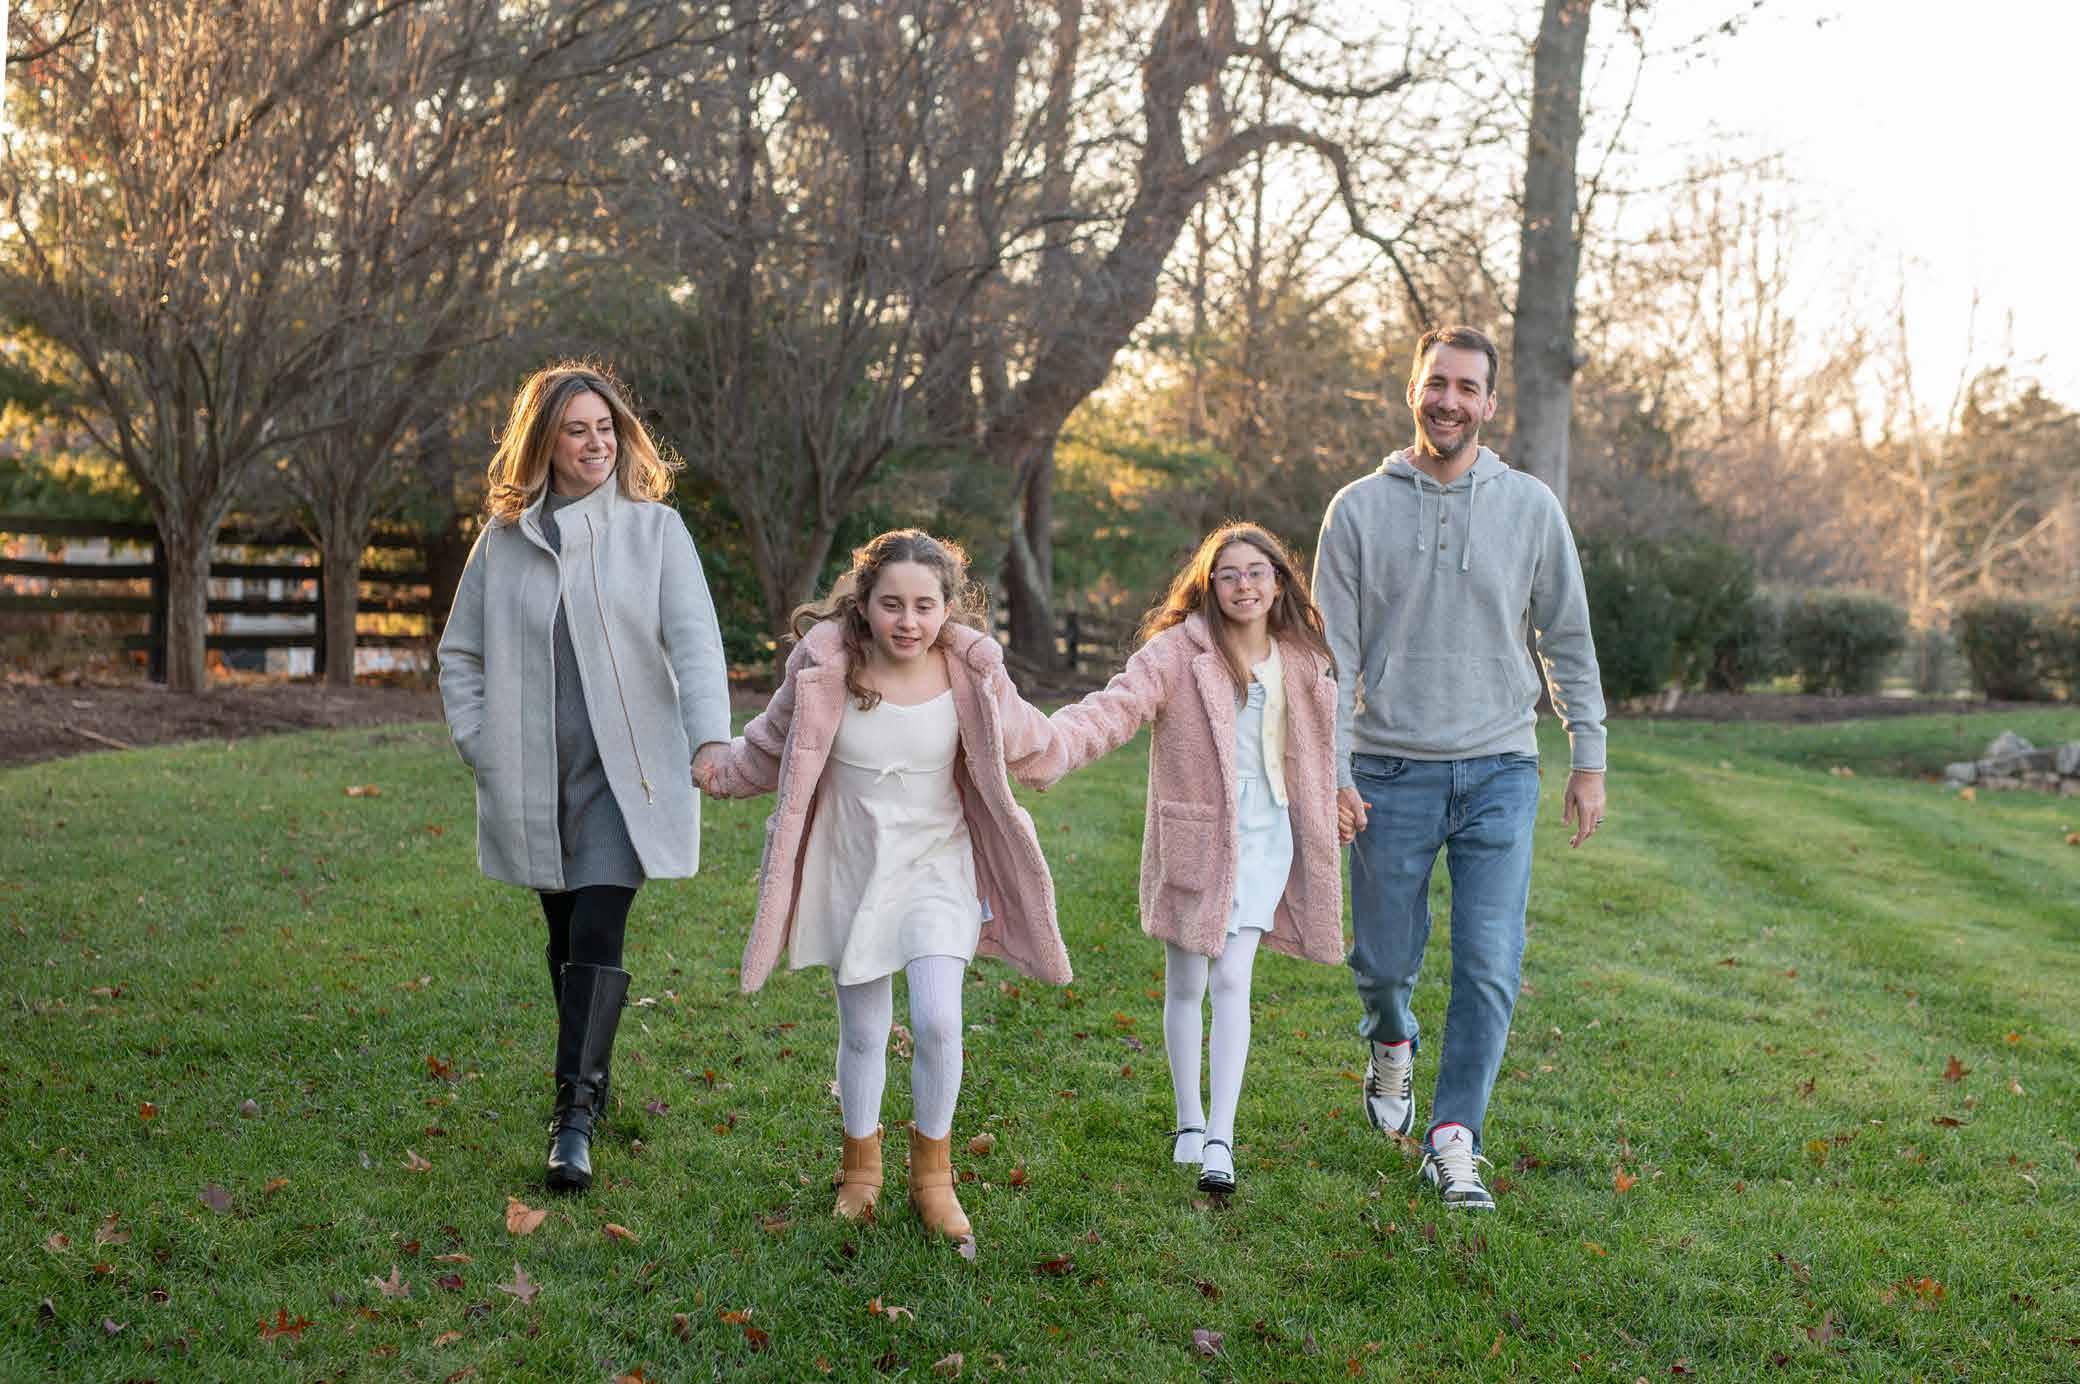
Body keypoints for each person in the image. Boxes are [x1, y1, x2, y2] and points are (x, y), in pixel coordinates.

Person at [696, 530, 1068, 1243]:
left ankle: (934, 1178)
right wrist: (719, 771)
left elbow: (1035, 741)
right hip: (852, 866)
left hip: (937, 864)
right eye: (892, 604)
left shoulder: (970, 673)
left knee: (938, 1019)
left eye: (925, 606)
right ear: (863, 603)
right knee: (865, 1031)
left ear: (948, 608)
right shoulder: (827, 668)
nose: (908, 621)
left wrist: (1088, 733)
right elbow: (770, 746)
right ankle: (860, 1170)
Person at [1313, 324, 1608, 1212]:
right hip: (1388, 769)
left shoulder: (1531, 507)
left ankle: (1454, 1138)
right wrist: (1333, 771)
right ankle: (1390, 1040)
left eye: (1467, 387)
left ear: (1490, 403)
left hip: (1499, 770)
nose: (1450, 400)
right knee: (1382, 959)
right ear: (1414, 389)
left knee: (1489, 959)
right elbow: (1332, 659)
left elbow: (1567, 637)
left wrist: (1587, 757)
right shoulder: (1356, 510)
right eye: (1437, 383)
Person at [437, 361, 731, 1193]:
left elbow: (696, 642)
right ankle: (588, 1077)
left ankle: (573, 1119)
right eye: (577, 430)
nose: (596, 443)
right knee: (566, 939)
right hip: (535, 776)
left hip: (624, 778)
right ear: (546, 442)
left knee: (600, 929)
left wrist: (710, 740)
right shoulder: (504, 542)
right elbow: (460, 654)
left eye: (606, 428)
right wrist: (481, 744)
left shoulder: (655, 531)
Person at [1014, 524, 1344, 1198]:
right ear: (1209, 584)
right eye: (1229, 574)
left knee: (1234, 978)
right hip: (1197, 836)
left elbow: (1320, 746)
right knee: (1188, 981)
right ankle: (1189, 1119)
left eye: (1256, 572)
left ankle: (1221, 1136)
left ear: (1279, 581)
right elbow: (1113, 709)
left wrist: (1336, 795)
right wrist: (1051, 745)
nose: (1244, 585)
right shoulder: (1176, 654)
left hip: (1268, 833)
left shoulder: (1302, 661)